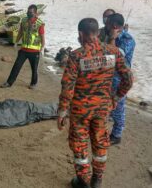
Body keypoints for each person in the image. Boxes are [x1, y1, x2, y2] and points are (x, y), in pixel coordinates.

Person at [57, 18, 133, 188]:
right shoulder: (113, 52)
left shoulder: (77, 56)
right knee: (100, 142)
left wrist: (62, 112)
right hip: (102, 109)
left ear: (80, 34)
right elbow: (128, 79)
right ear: (98, 33)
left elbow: (67, 86)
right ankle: (97, 179)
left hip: (80, 110)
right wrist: (116, 97)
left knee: (79, 143)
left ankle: (83, 180)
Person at [102, 13, 136, 145]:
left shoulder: (128, 39)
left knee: (119, 108)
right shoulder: (108, 35)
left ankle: (116, 135)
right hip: (108, 77)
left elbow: (114, 56)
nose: (105, 25)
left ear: (114, 26)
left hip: (120, 80)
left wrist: (112, 40)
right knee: (109, 106)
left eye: (108, 23)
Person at [0, 4, 45, 89]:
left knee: (34, 69)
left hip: (35, 51)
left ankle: (33, 83)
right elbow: (20, 32)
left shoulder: (40, 23)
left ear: (35, 13)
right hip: (23, 50)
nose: (28, 13)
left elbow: (42, 36)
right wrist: (16, 42)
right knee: (16, 66)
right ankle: (9, 83)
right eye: (28, 11)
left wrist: (42, 48)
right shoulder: (24, 21)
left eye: (31, 12)